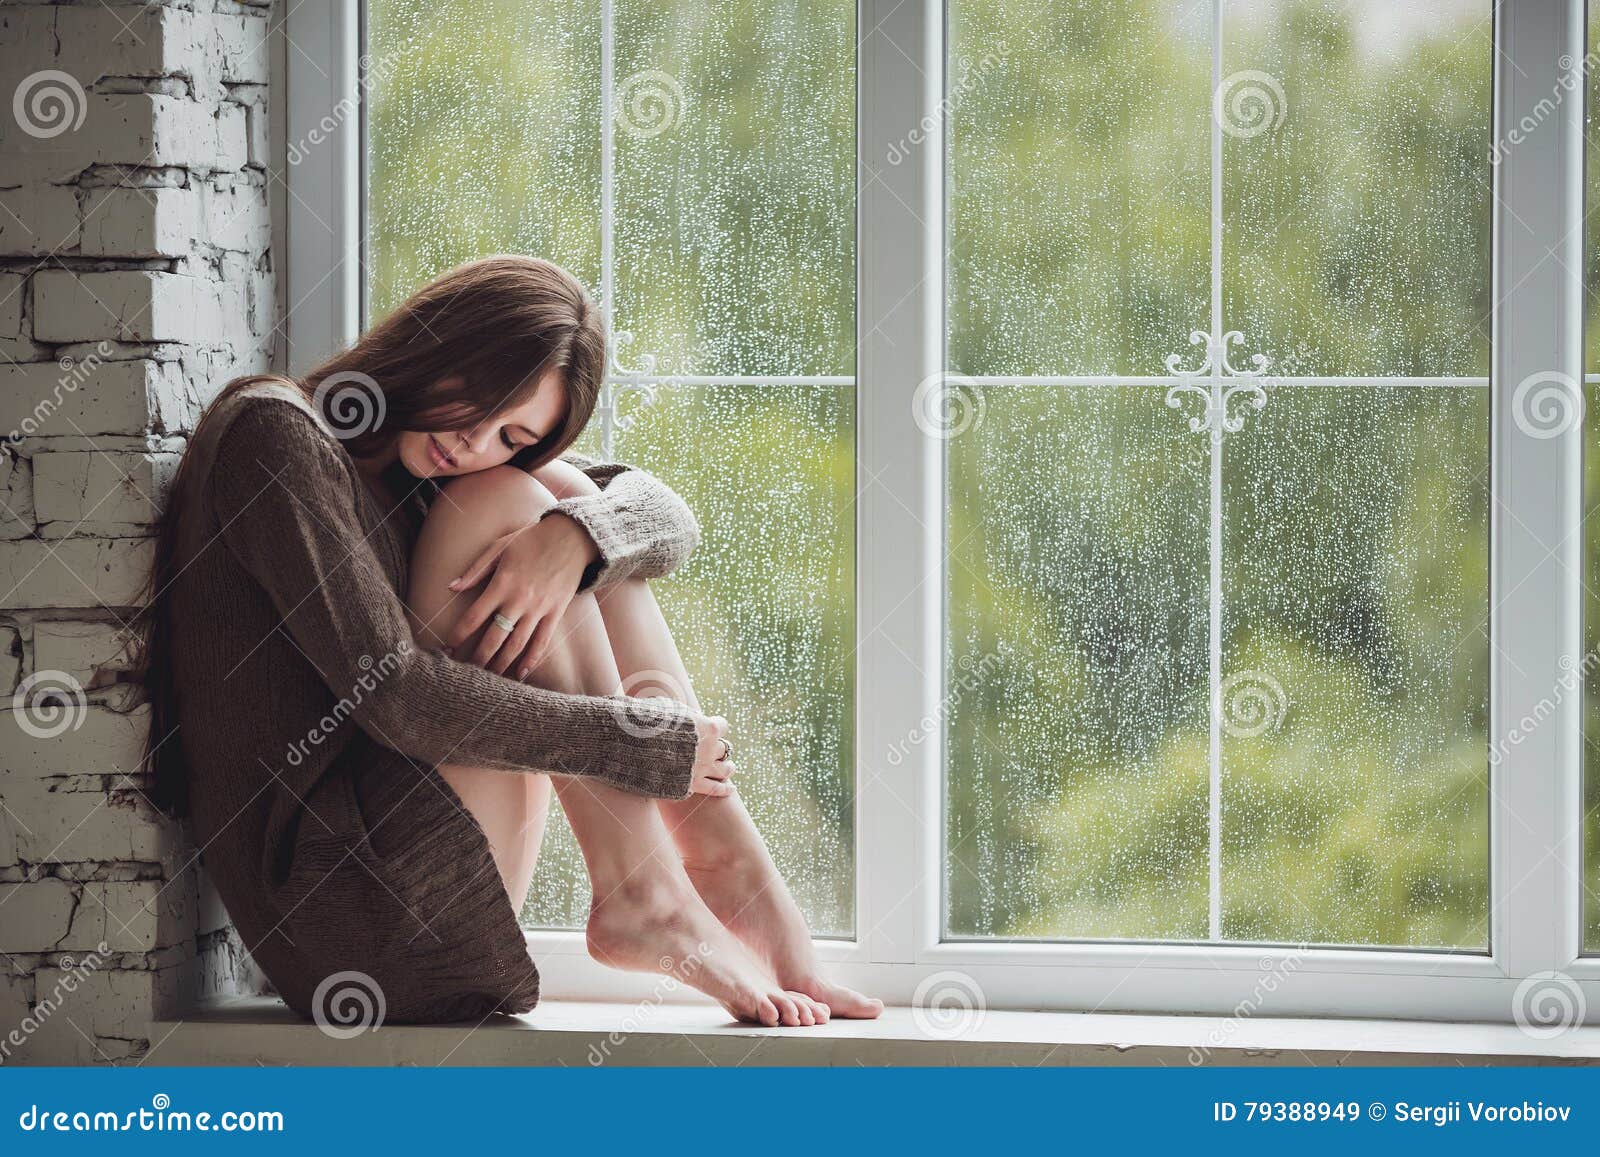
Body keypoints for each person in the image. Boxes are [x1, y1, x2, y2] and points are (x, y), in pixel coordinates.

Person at [135, 254, 882, 1028]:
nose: (474, 439)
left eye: (512, 432)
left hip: (432, 872)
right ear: (441, 340)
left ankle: (727, 868)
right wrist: (644, 742)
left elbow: (664, 518)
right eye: (479, 400)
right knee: (515, 501)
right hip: (347, 918)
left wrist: (571, 541)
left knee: (571, 505)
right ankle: (648, 888)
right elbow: (396, 699)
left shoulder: (433, 472)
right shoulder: (277, 433)